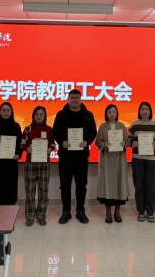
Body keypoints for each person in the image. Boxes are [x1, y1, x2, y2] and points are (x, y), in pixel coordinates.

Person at [53, 89, 98, 225]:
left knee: (81, 185)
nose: (74, 100)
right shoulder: (61, 114)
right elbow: (55, 132)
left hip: (81, 156)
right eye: (72, 98)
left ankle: (80, 210)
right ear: (68, 99)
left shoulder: (88, 115)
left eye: (77, 98)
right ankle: (66, 211)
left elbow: (93, 132)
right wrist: (62, 142)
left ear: (80, 99)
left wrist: (87, 142)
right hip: (65, 156)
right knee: (65, 185)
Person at [129, 102, 155, 223]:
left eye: (147, 109)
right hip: (137, 158)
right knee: (139, 185)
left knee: (151, 186)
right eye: (142, 109)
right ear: (139, 111)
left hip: (152, 159)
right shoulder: (134, 124)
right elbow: (128, 138)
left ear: (150, 111)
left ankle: (150, 212)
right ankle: (140, 211)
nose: (144, 111)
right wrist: (132, 143)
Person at [21, 106, 56, 227]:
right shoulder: (27, 129)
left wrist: (50, 149)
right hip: (30, 163)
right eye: (37, 114)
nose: (39, 116)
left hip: (44, 163)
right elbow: (22, 143)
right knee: (30, 191)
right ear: (33, 116)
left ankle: (41, 215)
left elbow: (53, 143)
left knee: (43, 191)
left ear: (45, 116)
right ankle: (30, 216)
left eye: (41, 114)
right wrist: (26, 148)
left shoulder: (49, 129)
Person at [95, 105, 130, 224]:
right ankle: (108, 213)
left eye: (114, 112)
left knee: (119, 184)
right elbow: (97, 142)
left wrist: (124, 143)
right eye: (109, 112)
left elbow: (127, 141)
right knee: (108, 185)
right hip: (107, 158)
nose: (111, 114)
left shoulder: (122, 126)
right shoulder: (102, 126)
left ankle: (117, 212)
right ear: (106, 113)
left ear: (117, 113)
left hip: (119, 157)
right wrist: (104, 144)